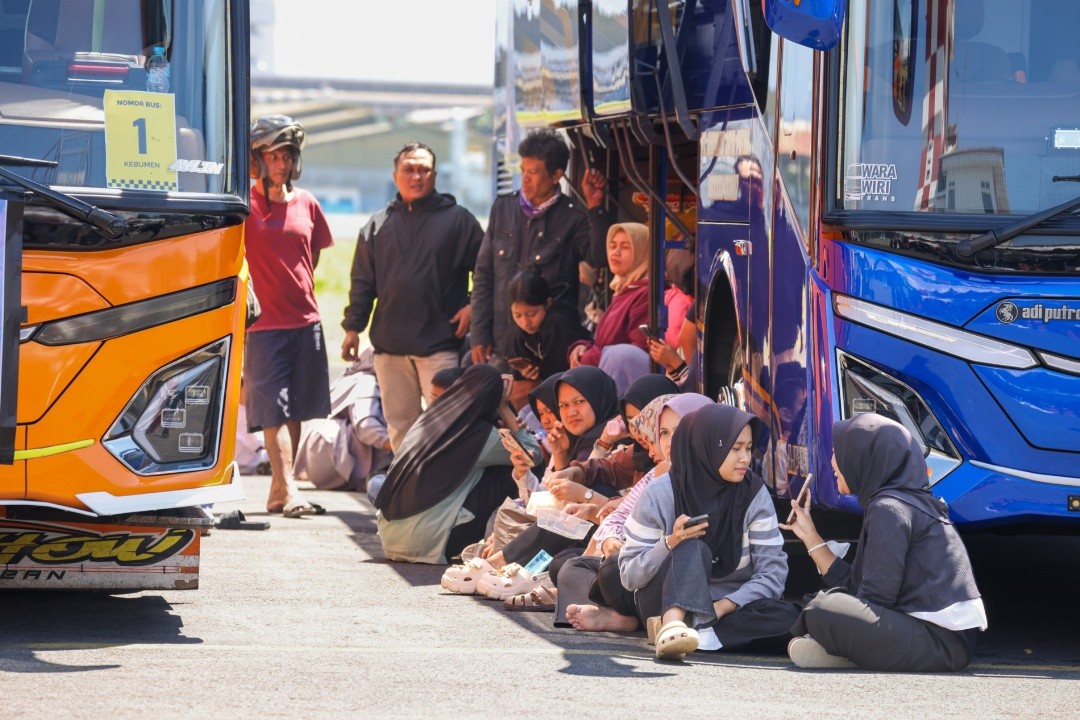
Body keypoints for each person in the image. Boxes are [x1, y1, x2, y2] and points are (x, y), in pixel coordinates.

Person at [782, 414, 988, 672]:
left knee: (821, 607)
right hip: (941, 642)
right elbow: (859, 588)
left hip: (937, 644)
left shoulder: (889, 508)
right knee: (825, 604)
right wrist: (810, 536)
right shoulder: (900, 501)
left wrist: (832, 619)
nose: (833, 462)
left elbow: (875, 600)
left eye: (839, 453)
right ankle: (843, 647)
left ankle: (842, 648)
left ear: (864, 457)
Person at [619, 403, 799, 660]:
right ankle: (673, 624)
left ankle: (698, 635)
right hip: (663, 600)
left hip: (729, 606)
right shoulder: (660, 494)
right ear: (708, 448)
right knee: (692, 545)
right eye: (735, 449)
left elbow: (773, 574)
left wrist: (723, 606)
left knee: (791, 617)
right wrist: (671, 542)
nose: (745, 458)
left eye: (748, 448)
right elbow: (629, 576)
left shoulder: (753, 494)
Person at [341, 142, 483, 451]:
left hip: (440, 343)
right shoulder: (377, 226)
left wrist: (473, 305)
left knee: (446, 426)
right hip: (390, 348)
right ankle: (407, 482)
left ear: (435, 175)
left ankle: (447, 481)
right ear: (395, 176)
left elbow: (487, 271)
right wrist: (353, 328)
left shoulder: (459, 221)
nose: (416, 176)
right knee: (401, 428)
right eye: (409, 170)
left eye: (423, 170)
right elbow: (362, 283)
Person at [560, 393, 713, 629]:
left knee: (611, 570)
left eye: (679, 431)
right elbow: (618, 518)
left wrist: (589, 497)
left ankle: (625, 616)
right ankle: (625, 617)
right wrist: (610, 540)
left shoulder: (729, 478)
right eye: (663, 433)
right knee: (574, 566)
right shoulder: (656, 475)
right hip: (643, 568)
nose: (666, 443)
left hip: (683, 583)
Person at [243, 114, 333, 518]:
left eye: (287, 156)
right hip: (264, 327)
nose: (281, 164)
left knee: (296, 408)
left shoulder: (308, 203)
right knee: (273, 412)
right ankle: (292, 489)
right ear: (257, 160)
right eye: (273, 156)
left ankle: (280, 489)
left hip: (306, 322)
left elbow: (311, 256)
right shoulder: (245, 205)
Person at [373, 364, 540, 564]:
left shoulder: (426, 420)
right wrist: (504, 405)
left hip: (391, 538)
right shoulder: (479, 434)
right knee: (515, 466)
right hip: (427, 543)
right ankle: (511, 540)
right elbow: (532, 455)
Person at [471, 128, 609, 368]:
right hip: (503, 344)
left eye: (533, 172)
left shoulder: (573, 217)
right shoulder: (503, 208)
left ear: (557, 175)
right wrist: (480, 333)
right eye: (523, 170)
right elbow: (484, 274)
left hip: (551, 349)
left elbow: (599, 258)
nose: (525, 178)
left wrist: (595, 207)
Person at [292, 347, 391, 493]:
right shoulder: (367, 383)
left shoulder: (350, 377)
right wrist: (399, 446)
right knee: (388, 433)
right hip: (332, 460)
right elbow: (366, 426)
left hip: (318, 462)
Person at [568, 222, 651, 372]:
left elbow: (633, 355)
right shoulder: (624, 290)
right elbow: (604, 343)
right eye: (612, 246)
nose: (615, 252)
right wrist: (583, 347)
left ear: (643, 251)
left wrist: (587, 358)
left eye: (625, 247)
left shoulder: (644, 294)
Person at [505, 269, 591, 385]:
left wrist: (539, 375)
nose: (525, 322)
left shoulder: (557, 324)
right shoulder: (518, 333)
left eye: (532, 314)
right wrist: (525, 373)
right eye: (517, 315)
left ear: (548, 303)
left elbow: (557, 375)